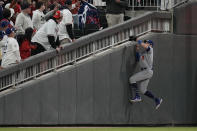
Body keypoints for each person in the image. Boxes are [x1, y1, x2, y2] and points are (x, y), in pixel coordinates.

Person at [129, 38, 162, 110]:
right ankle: (156, 99)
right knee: (143, 90)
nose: (145, 43)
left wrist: (137, 39)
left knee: (132, 79)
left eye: (147, 43)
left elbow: (144, 45)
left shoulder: (150, 50)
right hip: (147, 72)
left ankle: (137, 96)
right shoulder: (144, 54)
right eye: (145, 42)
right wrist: (137, 48)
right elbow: (138, 58)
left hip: (147, 71)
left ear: (150, 45)